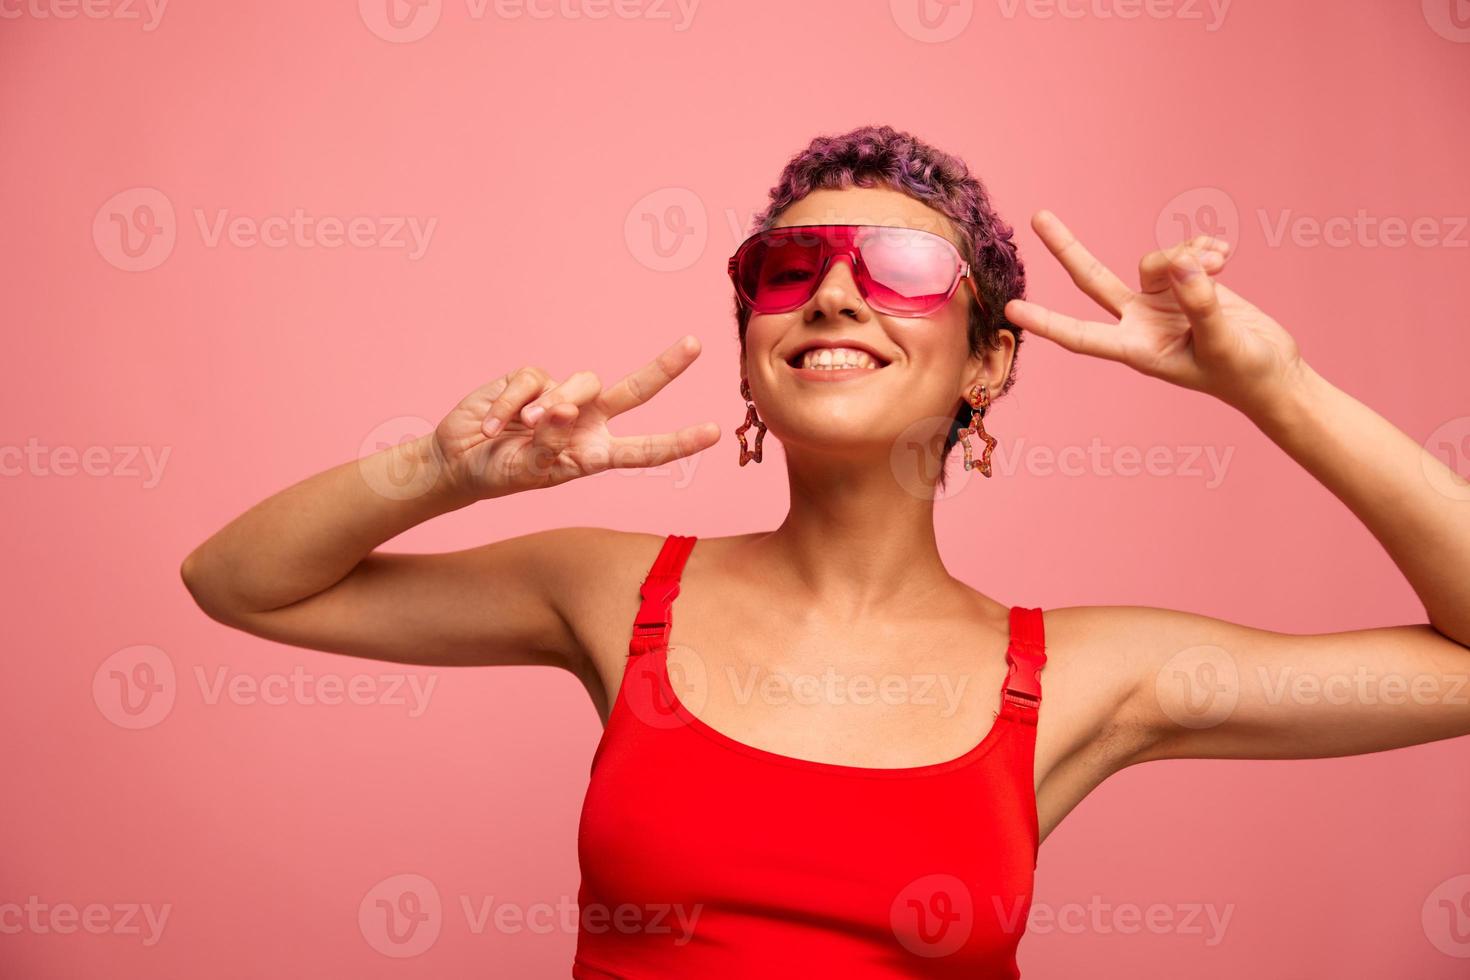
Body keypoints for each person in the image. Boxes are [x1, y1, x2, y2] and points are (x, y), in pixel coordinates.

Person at [180, 125, 1470, 977]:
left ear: (988, 362)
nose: (837, 295)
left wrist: (1277, 388)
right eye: (789, 267)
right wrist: (447, 472)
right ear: (752, 350)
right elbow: (239, 582)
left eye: (906, 267)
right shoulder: (620, 588)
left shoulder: (1081, 676)